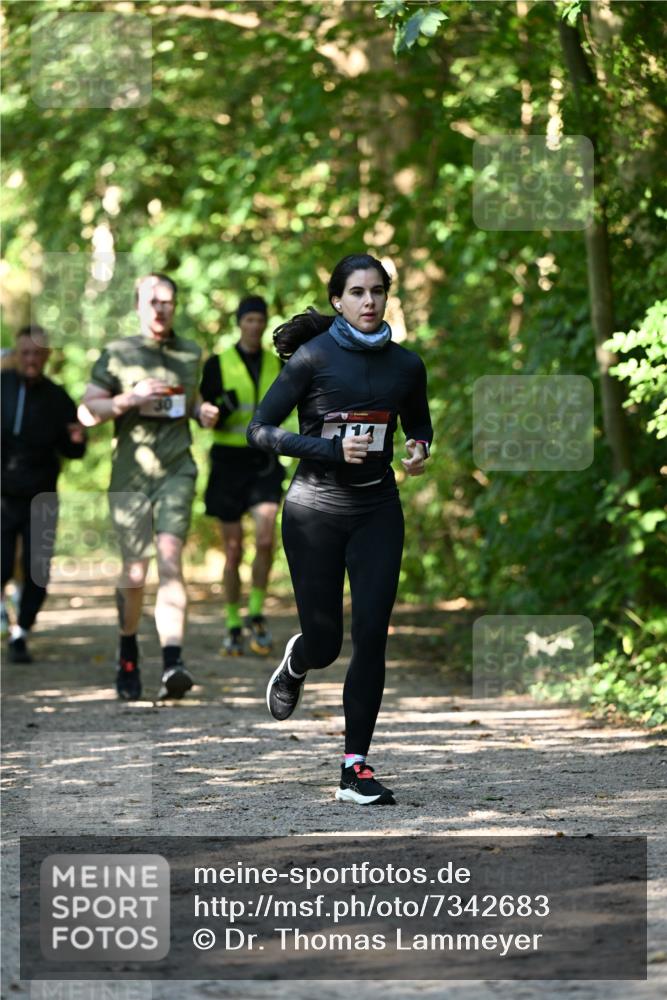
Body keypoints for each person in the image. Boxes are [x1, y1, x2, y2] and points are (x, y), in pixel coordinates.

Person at [247, 254, 432, 805]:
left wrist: (419, 447)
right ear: (337, 301)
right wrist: (330, 448)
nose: (369, 301)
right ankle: (298, 659)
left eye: (377, 291)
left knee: (372, 633)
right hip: (315, 512)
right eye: (357, 292)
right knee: (327, 643)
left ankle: (356, 767)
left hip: (378, 510)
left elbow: (418, 422)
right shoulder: (312, 358)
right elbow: (260, 431)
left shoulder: (407, 365)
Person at [79, 273, 219, 701]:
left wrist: (202, 411)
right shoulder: (118, 354)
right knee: (136, 570)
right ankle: (128, 651)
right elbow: (87, 412)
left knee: (171, 559)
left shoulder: (190, 352)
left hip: (177, 468)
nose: (161, 309)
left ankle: (173, 662)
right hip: (130, 476)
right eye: (153, 301)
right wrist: (129, 399)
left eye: (168, 302)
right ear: (139, 305)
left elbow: (187, 400)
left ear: (175, 306)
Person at [200, 296, 284, 657]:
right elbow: (203, 410)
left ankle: (256, 613)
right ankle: (233, 621)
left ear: (265, 324)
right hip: (227, 462)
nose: (254, 325)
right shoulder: (218, 364)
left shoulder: (277, 364)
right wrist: (216, 410)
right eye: (248, 319)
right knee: (233, 549)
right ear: (239, 323)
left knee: (266, 540)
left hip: (264, 459)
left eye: (259, 320)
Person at [1, 325, 86, 663]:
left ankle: (21, 632)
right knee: (3, 563)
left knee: (38, 570)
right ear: (16, 355)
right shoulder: (2, 387)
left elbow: (73, 450)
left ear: (46, 357)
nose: (31, 359)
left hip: (41, 495)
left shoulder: (58, 397)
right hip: (4, 494)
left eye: (37, 354)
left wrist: (77, 441)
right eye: (25, 353)